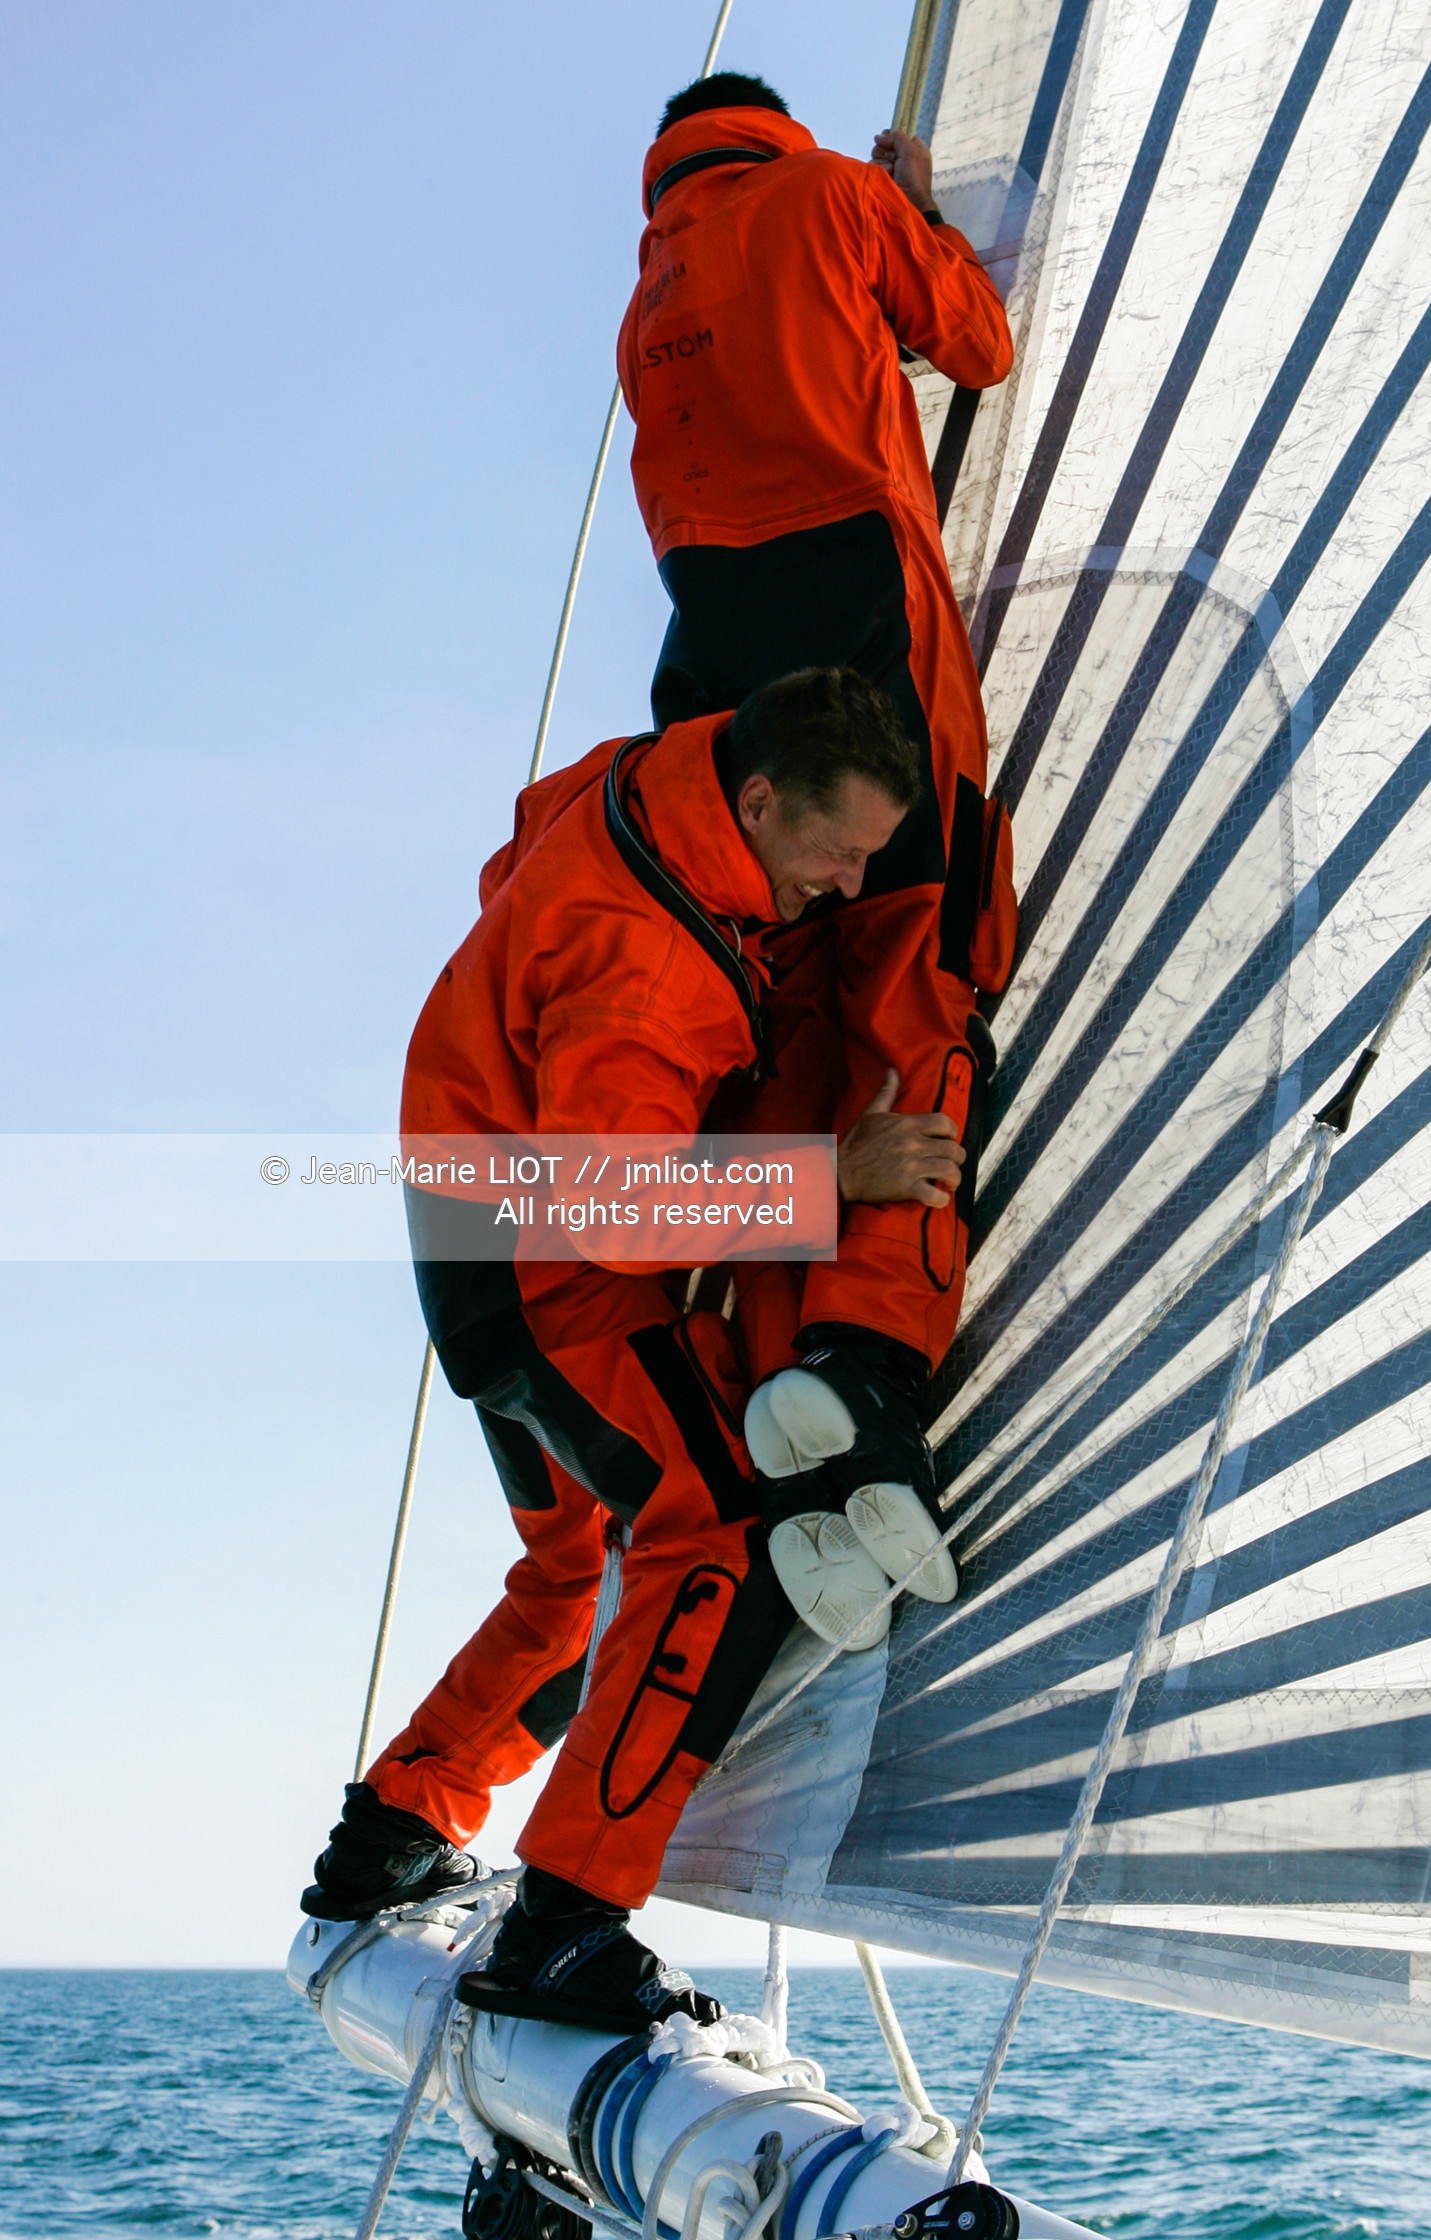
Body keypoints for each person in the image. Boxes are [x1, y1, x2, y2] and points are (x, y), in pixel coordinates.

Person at [301, 668, 948, 2031]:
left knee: (570, 1566)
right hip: (552, 1275)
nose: (845, 886)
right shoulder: (647, 974)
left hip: (467, 1232)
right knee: (711, 1538)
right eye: (836, 855)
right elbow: (611, 1213)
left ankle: (390, 1836)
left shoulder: (641, 775)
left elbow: (512, 854)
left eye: (871, 861)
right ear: (760, 803)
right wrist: (836, 1175)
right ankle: (565, 1926)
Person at [616, 71, 1018, 1639]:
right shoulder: (832, 198)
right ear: (775, 125)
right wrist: (913, 213)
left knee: (776, 1012)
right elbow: (974, 343)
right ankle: (864, 1367)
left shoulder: (649, 290)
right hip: (863, 604)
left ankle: (776, 1387)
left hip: (706, 670)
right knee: (926, 955)